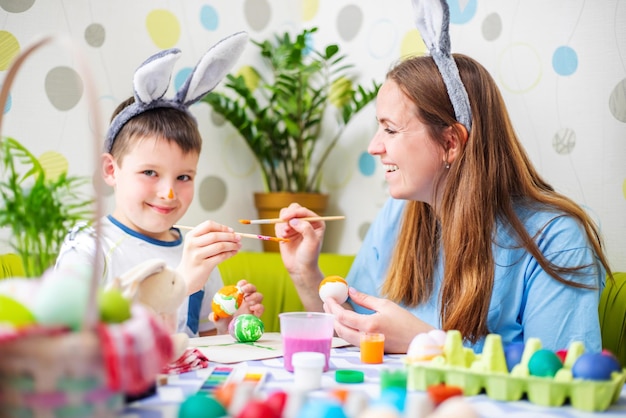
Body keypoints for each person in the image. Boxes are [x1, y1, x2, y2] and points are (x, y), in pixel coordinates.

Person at [275, 18, 612, 353]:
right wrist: (305, 272)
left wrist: (425, 343)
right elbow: (359, 331)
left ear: (451, 142)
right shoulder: (399, 213)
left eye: (390, 129)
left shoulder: (556, 239)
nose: (374, 147)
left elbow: (562, 384)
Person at [56, 33, 264, 337]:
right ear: (111, 170)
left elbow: (200, 343)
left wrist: (229, 324)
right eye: (150, 172)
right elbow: (71, 343)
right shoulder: (88, 250)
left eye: (183, 177)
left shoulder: (195, 255)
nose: (168, 193)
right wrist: (181, 283)